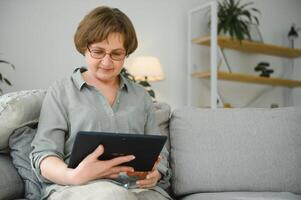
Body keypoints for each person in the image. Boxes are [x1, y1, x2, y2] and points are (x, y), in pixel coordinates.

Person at [30, 6, 172, 200]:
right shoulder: (61, 91)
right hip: (79, 187)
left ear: (126, 54)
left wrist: (157, 173)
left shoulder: (140, 95)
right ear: (84, 48)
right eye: (98, 51)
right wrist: (73, 175)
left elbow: (159, 151)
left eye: (116, 54)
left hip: (138, 188)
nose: (107, 61)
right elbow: (44, 154)